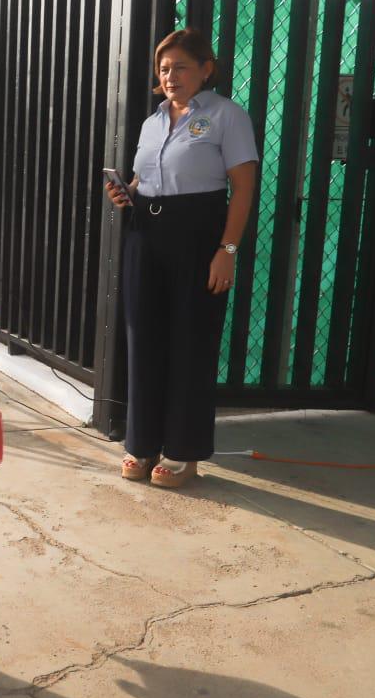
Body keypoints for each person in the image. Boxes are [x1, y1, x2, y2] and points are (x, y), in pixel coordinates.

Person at [105, 27, 259, 488]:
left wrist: (226, 251)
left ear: (206, 69)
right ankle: (142, 444)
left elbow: (243, 188)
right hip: (146, 233)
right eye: (164, 68)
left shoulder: (227, 116)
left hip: (198, 234)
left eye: (181, 67)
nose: (171, 76)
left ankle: (182, 452)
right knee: (143, 337)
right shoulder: (152, 122)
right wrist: (126, 193)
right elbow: (142, 179)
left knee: (191, 339)